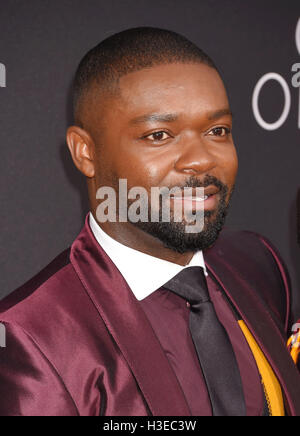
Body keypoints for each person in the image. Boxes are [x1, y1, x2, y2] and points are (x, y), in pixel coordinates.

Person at [0, 27, 299, 417]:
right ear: (85, 151)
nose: (201, 159)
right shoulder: (30, 337)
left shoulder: (259, 263)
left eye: (217, 131)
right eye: (159, 135)